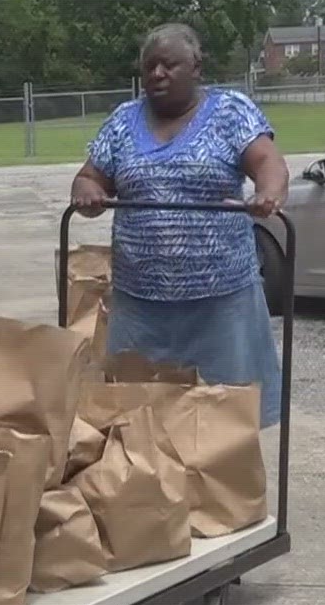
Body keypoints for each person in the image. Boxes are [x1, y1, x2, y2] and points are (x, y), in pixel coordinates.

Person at [70, 22, 290, 427]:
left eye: (169, 65)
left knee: (226, 419)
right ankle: (155, 490)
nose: (157, 74)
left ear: (196, 67)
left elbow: (268, 163)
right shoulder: (122, 120)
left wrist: (268, 193)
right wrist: (86, 192)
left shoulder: (230, 111)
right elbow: (90, 177)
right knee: (139, 419)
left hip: (222, 301)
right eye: (149, 67)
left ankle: (224, 490)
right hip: (141, 305)